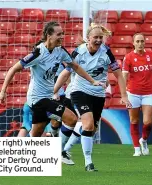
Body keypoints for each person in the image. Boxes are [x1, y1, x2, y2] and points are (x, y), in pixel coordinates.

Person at [0, 21, 103, 138]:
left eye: (62, 34)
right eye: (59, 34)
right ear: (49, 35)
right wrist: (3, 91)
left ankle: (27, 153)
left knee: (36, 136)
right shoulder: (38, 53)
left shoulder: (60, 51)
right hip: (37, 99)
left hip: (48, 97)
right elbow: (13, 69)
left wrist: (92, 81)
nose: (62, 37)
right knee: (72, 118)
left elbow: (76, 66)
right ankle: (60, 152)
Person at [54, 23, 131, 172]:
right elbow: (66, 73)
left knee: (92, 128)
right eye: (95, 37)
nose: (98, 40)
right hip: (80, 91)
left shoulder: (106, 52)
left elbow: (118, 74)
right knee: (87, 123)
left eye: (100, 37)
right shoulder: (79, 52)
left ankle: (65, 149)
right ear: (88, 39)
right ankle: (88, 163)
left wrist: (124, 95)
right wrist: (55, 91)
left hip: (98, 94)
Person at [122, 33, 152, 156]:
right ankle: (136, 149)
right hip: (133, 93)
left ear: (144, 42)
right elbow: (124, 75)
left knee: (148, 122)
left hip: (148, 93)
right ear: (133, 43)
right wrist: (123, 93)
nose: (140, 43)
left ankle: (144, 140)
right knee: (134, 120)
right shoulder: (128, 57)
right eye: (138, 41)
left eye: (142, 41)